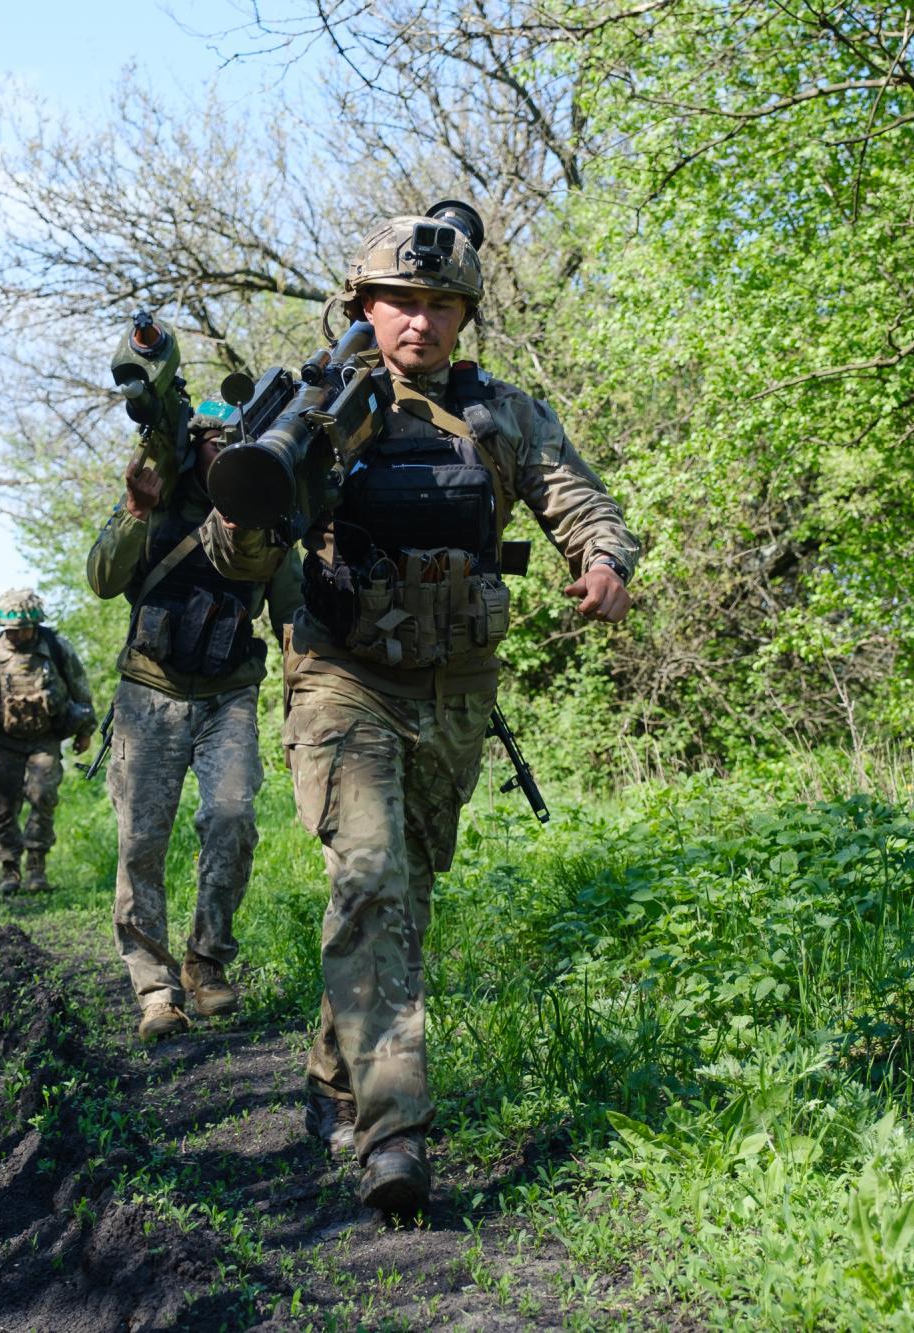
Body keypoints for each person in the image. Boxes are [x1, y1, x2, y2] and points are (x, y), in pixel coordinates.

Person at [203, 202, 639, 1213]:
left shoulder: (500, 413)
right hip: (340, 675)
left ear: (464, 315)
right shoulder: (312, 408)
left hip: (452, 683)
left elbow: (579, 499)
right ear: (359, 304)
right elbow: (238, 559)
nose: (420, 322)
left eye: (442, 304)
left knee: (401, 890)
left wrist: (605, 560)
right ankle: (391, 1133)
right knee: (369, 878)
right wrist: (256, 497)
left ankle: (331, 1079)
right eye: (401, 300)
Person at [88, 317, 302, 1044]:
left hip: (227, 695)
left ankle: (206, 965)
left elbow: (293, 615)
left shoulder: (265, 516)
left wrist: (305, 708)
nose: (219, 451)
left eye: (231, 442)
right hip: (149, 693)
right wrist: (135, 510)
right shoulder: (156, 497)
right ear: (193, 445)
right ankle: (154, 987)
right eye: (208, 441)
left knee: (233, 819)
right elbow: (101, 577)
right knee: (141, 841)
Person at [0, 589, 97, 894]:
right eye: (10, 630)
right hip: (3, 740)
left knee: (43, 795)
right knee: (5, 803)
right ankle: (9, 869)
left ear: (35, 624)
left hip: (45, 739)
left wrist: (85, 731)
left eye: (22, 629)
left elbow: (80, 690)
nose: (17, 635)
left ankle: (37, 866)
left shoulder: (56, 647)